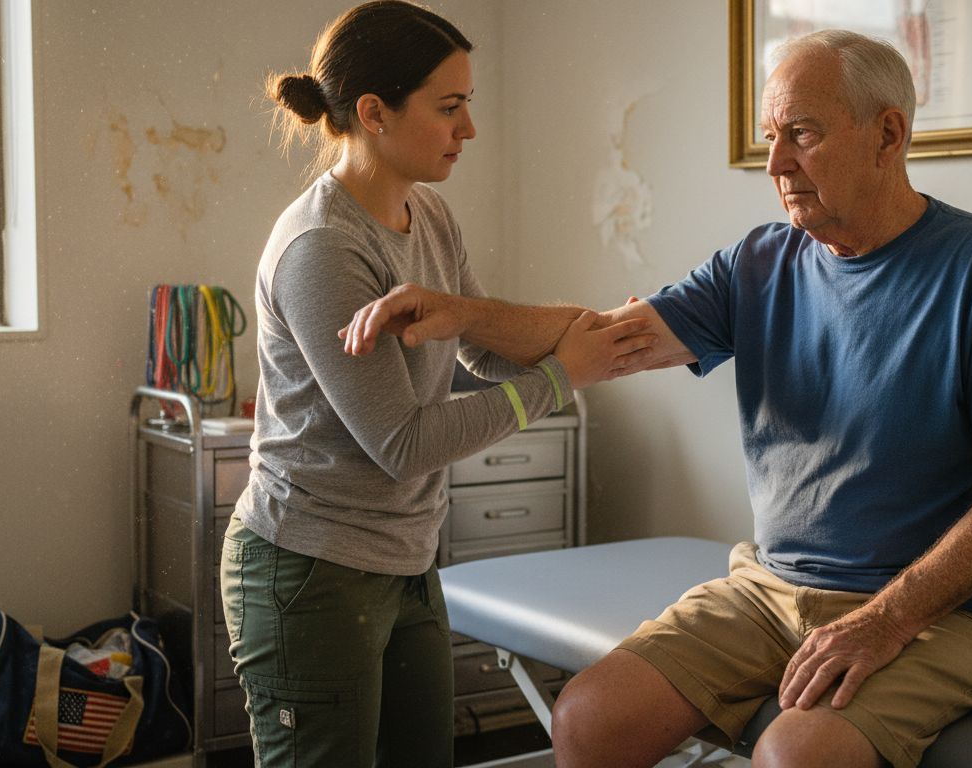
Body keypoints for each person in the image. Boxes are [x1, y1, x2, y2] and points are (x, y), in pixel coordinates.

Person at [340, 28, 972, 768]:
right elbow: (606, 338)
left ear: (888, 134)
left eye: (803, 134)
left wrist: (881, 621)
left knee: (797, 755)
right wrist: (466, 315)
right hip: (770, 590)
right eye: (769, 137)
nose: (777, 163)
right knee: (589, 719)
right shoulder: (759, 262)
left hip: (945, 615)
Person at [218, 3, 650, 766]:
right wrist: (560, 376)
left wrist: (585, 335)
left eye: (468, 106)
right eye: (449, 108)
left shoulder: (430, 215)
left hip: (407, 563)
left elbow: (475, 351)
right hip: (311, 571)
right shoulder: (324, 249)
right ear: (374, 113)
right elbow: (403, 443)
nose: (468, 129)